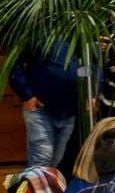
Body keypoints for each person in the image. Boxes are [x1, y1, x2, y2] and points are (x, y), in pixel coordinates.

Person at [10, 39, 82, 170]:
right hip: (40, 106)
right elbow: (14, 62)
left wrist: (93, 91)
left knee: (56, 162)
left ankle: (49, 190)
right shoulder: (38, 29)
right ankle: (37, 189)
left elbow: (89, 65)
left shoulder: (80, 31)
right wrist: (27, 95)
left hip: (69, 108)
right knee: (41, 159)